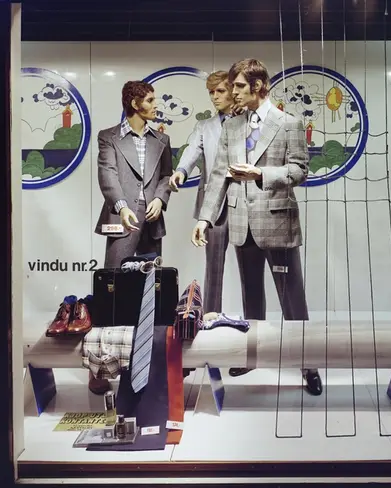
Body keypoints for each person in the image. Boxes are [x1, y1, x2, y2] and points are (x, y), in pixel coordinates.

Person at [191, 58, 322, 396]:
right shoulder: (232, 126)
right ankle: (253, 356)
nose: (233, 92)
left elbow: (299, 170)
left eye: (238, 86)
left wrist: (261, 173)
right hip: (241, 223)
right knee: (252, 296)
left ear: (259, 86)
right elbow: (218, 176)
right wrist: (205, 218)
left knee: (292, 299)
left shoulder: (289, 124)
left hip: (277, 222)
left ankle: (308, 363)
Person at [90, 80, 173, 394]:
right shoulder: (108, 136)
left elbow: (165, 175)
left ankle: (147, 366)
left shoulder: (162, 139)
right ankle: (101, 367)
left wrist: (160, 199)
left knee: (151, 293)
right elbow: (107, 174)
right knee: (112, 292)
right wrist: (122, 206)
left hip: (152, 220)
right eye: (150, 100)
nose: (155, 105)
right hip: (121, 218)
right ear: (135, 104)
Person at [169, 70, 238, 313]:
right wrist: (181, 170)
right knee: (214, 265)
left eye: (220, 91)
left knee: (251, 266)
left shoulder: (250, 122)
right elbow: (192, 150)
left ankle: (254, 319)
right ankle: (210, 314)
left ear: (233, 91)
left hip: (246, 201)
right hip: (214, 204)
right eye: (211, 92)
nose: (215, 96)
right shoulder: (204, 126)